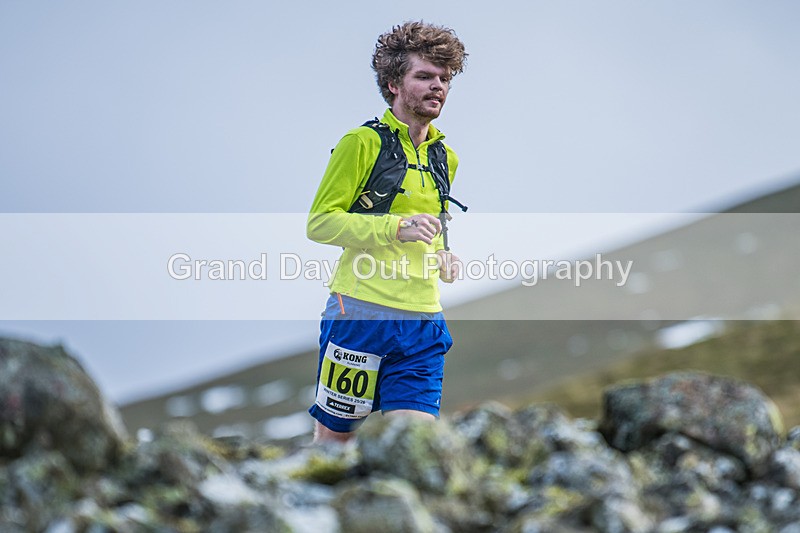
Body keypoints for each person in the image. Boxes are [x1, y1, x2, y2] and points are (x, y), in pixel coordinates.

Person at [306, 21, 467, 443]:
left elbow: (432, 221)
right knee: (335, 446)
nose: (438, 87)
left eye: (445, 78)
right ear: (394, 83)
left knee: (413, 446)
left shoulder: (445, 156)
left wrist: (445, 253)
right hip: (359, 314)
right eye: (425, 76)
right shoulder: (360, 143)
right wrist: (395, 228)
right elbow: (320, 223)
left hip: (423, 322)